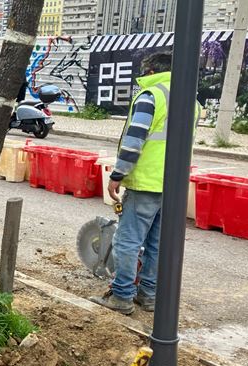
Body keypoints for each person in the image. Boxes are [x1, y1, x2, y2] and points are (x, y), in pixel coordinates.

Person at [89, 51, 198, 316]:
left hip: (146, 183)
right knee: (157, 244)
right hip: (173, 185)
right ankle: (148, 296)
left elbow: (135, 140)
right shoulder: (190, 100)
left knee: (127, 241)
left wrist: (118, 174)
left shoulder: (151, 96)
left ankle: (122, 296)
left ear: (150, 71)